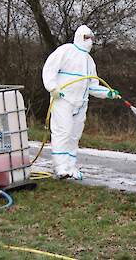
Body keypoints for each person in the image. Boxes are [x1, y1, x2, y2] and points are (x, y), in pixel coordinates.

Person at [42, 25, 120, 180]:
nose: (89, 42)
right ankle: (60, 167)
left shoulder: (89, 61)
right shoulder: (66, 51)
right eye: (86, 38)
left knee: (74, 136)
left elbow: (92, 85)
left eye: (91, 38)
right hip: (63, 100)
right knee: (62, 133)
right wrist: (52, 88)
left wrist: (108, 93)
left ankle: (70, 166)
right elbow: (49, 69)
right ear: (79, 37)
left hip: (81, 103)